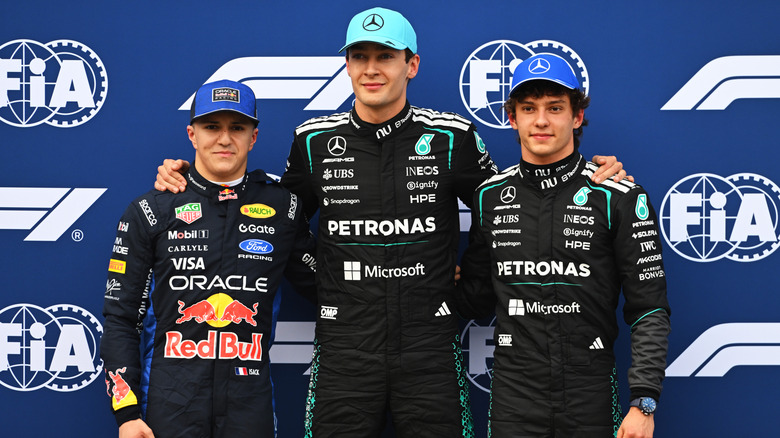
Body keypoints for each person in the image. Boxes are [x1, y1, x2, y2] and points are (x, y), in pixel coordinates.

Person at [154, 8, 627, 437]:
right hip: (345, 349)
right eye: (359, 57)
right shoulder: (315, 140)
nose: (371, 68)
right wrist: (193, 179)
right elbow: (281, 214)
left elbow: (503, 208)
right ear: (347, 66)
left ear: (411, 64)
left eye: (385, 56)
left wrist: (466, 292)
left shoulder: (452, 137)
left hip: (430, 349)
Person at [457, 53, 671, 438]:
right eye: (528, 108)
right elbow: (475, 295)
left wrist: (644, 401)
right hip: (512, 398)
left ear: (577, 117)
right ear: (512, 118)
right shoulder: (489, 196)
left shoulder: (617, 194)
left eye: (555, 108)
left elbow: (649, 308)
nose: (541, 121)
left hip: (588, 395)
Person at [101, 80, 317, 438]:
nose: (224, 139)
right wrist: (125, 413)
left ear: (254, 137)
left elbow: (329, 285)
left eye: (237, 127)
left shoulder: (284, 208)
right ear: (192, 133)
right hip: (169, 406)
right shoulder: (150, 211)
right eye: (212, 127)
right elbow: (121, 318)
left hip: (250, 407)